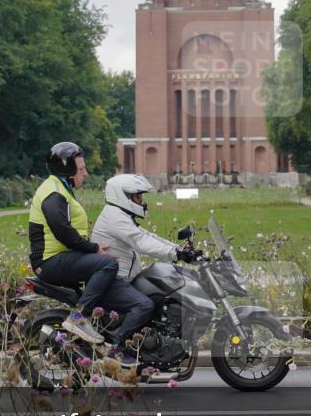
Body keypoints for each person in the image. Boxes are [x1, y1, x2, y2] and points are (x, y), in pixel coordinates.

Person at [91, 174, 198, 365]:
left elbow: (147, 235)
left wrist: (178, 250)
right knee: (144, 305)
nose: (142, 201)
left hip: (121, 278)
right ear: (122, 196)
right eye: (137, 197)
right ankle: (117, 349)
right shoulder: (115, 217)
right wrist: (175, 255)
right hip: (112, 281)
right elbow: (140, 242)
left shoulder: (120, 215)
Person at [29, 142, 116, 344]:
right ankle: (78, 319)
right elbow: (63, 232)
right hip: (50, 262)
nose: (85, 173)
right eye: (82, 168)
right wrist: (93, 248)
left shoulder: (59, 188)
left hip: (58, 257)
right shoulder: (54, 194)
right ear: (68, 169)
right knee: (107, 264)